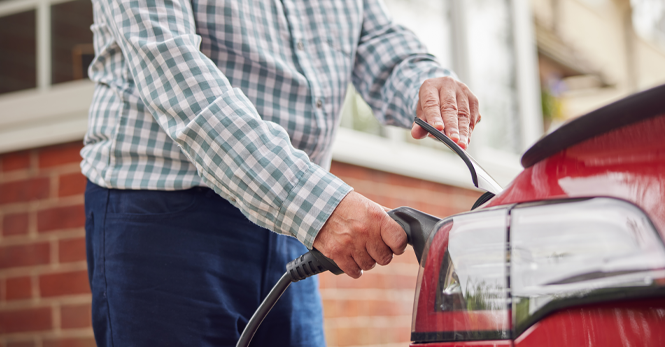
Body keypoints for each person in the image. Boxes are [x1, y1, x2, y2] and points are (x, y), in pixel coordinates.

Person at [81, 0, 481, 346]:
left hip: (291, 227)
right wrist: (322, 207)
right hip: (165, 217)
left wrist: (426, 83)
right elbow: (175, 76)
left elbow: (378, 41)